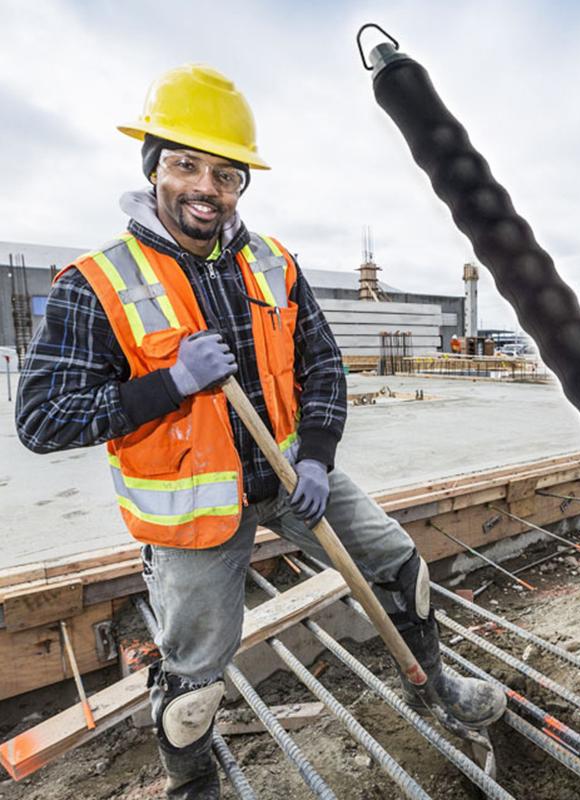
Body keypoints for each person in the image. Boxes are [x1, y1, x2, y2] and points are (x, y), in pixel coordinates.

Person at [16, 64, 505, 799]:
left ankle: (437, 685)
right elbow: (41, 419)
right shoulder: (98, 282)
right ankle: (193, 786)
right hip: (194, 507)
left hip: (287, 473)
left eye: (226, 174)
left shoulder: (272, 263)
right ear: (153, 168)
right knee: (193, 680)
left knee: (401, 568)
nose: (206, 187)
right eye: (185, 165)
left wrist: (317, 459)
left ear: (241, 185)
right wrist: (169, 384)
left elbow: (324, 367)